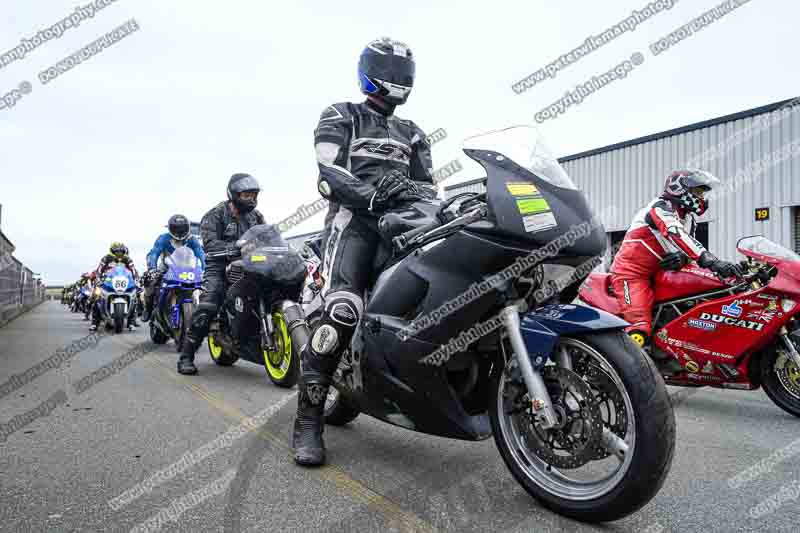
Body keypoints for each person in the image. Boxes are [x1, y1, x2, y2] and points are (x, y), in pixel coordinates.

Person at [292, 36, 438, 467]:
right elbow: (329, 173)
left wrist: (410, 190)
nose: (396, 80)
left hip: (403, 228)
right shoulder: (341, 114)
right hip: (352, 226)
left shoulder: (413, 132)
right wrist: (373, 197)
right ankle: (307, 422)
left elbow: (429, 187)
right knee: (341, 313)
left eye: (401, 73)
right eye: (388, 71)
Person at [609, 169, 743, 357]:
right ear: (679, 189)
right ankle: (632, 369)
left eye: (703, 193)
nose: (702, 197)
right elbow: (676, 234)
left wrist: (684, 258)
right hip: (631, 274)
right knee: (639, 327)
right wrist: (712, 262)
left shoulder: (689, 219)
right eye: (698, 192)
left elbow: (690, 247)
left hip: (661, 271)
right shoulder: (660, 208)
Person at [177, 173, 265, 375]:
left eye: (253, 195)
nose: (251, 199)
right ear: (233, 195)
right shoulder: (216, 214)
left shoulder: (256, 216)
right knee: (208, 305)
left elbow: (267, 235)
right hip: (220, 265)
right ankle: (186, 356)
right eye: (246, 195)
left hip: (251, 265)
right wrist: (234, 247)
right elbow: (209, 244)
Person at [141, 214, 206, 322]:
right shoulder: (163, 238)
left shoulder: (192, 240)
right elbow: (153, 253)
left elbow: (201, 254)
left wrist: (205, 269)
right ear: (170, 228)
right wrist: (152, 268)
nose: (179, 232)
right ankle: (147, 309)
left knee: (206, 284)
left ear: (188, 228)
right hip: (166, 268)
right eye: (176, 229)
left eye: (182, 229)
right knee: (149, 281)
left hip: (189, 268)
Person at [90, 243, 140, 331]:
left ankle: (131, 322)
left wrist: (136, 279)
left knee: (135, 297)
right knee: (96, 298)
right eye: (117, 251)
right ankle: (94, 323)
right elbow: (99, 269)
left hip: (124, 282)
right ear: (112, 251)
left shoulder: (127, 259)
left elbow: (133, 270)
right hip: (108, 281)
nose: (119, 253)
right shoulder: (106, 258)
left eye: (121, 251)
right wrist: (97, 278)